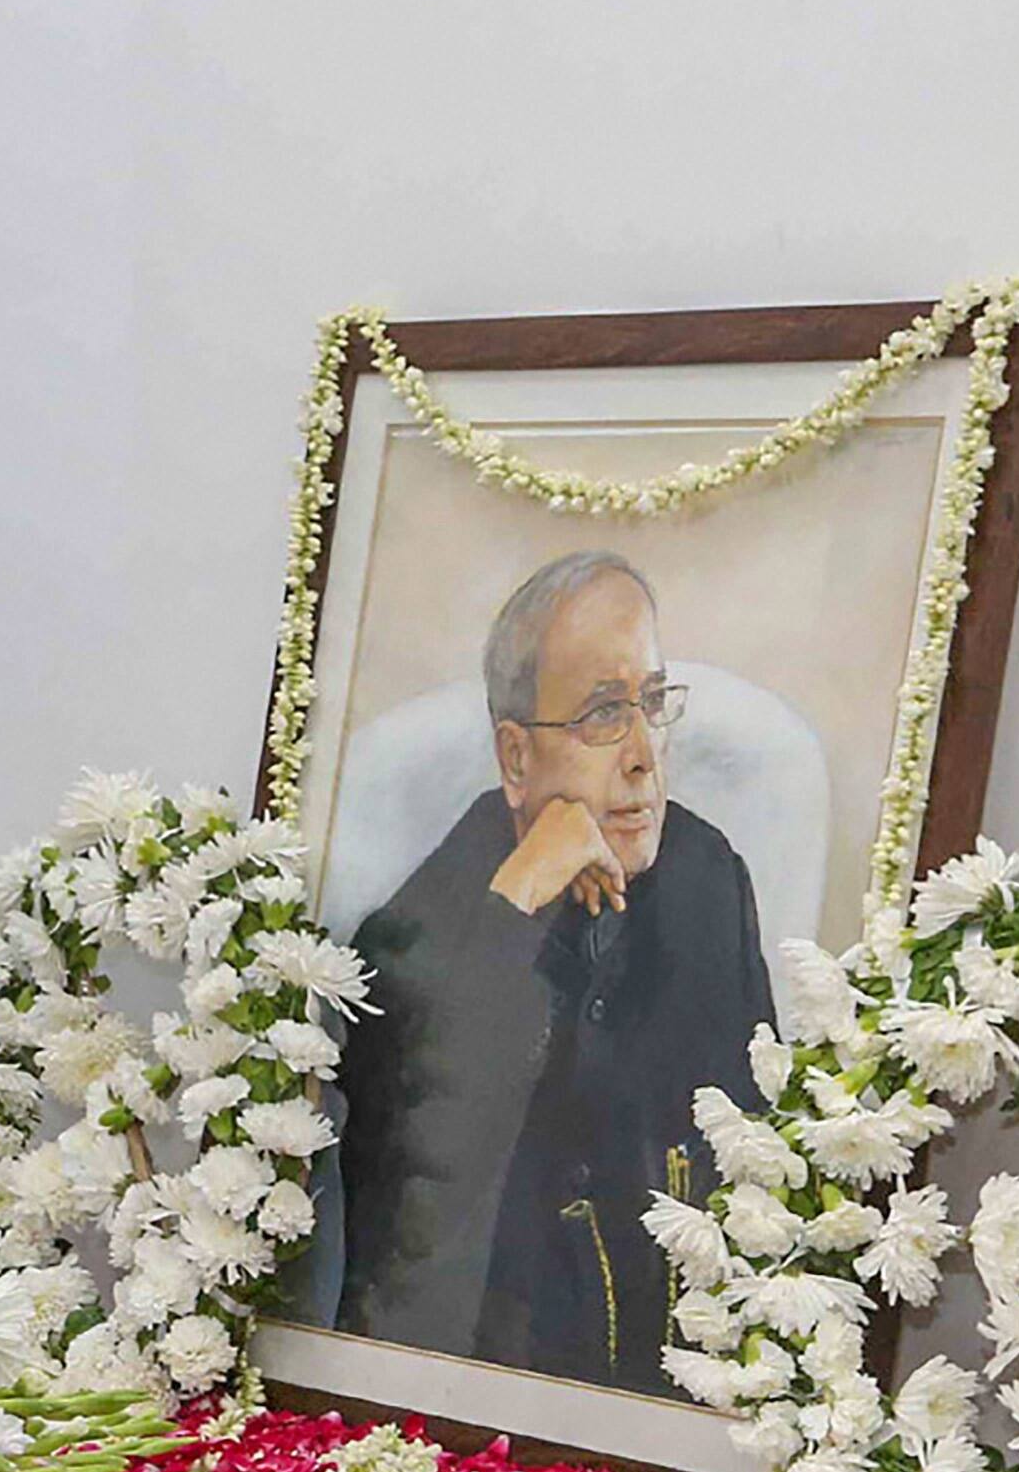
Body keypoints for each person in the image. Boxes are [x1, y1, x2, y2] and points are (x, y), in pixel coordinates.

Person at [328, 550, 772, 1386]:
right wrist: (520, 898)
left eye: (651, 703)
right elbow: (419, 1220)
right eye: (605, 714)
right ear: (515, 758)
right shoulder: (414, 934)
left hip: (676, 1399)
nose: (643, 754)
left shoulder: (709, 878)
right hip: (489, 1408)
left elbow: (758, 1158)